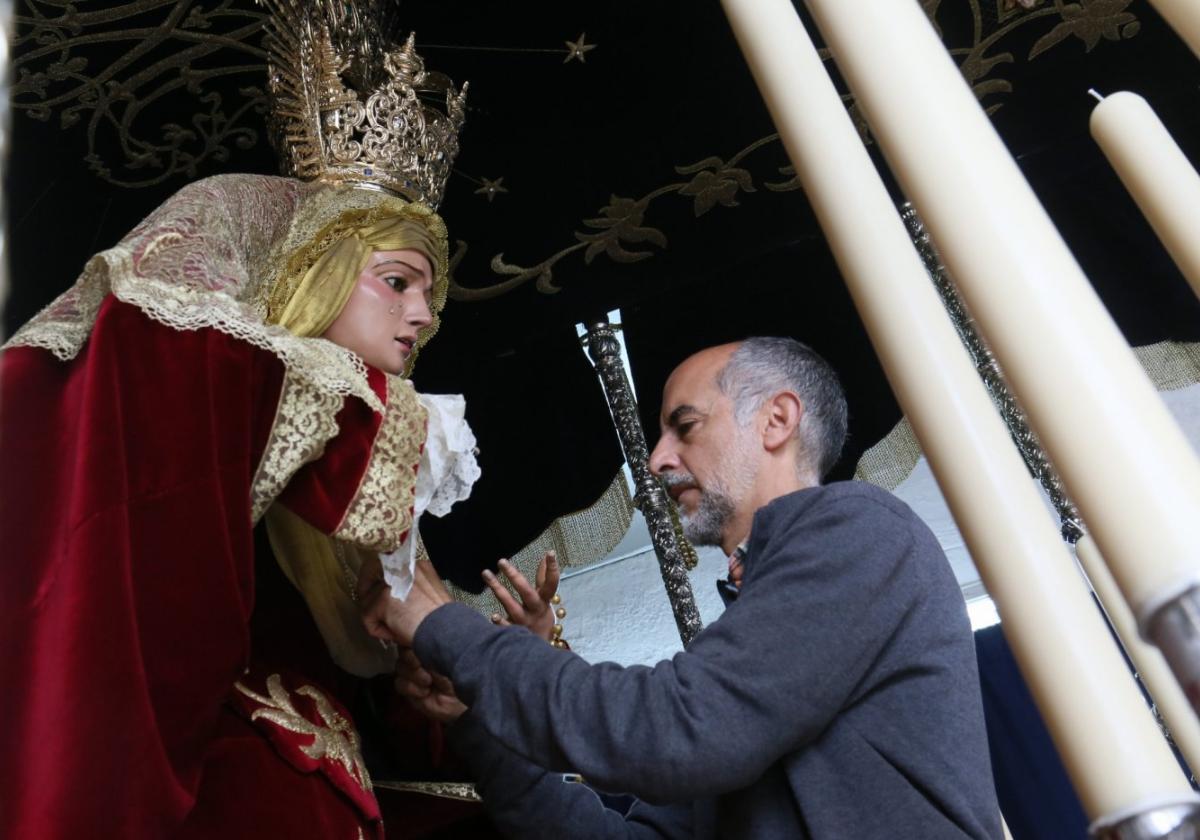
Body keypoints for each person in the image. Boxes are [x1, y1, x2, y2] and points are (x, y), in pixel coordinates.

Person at [0, 5, 486, 838]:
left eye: (430, 302)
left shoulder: (370, 489)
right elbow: (163, 368)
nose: (419, 318)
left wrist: (455, 671)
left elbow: (386, 708)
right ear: (320, 274)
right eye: (396, 282)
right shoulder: (226, 395)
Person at [369, 337, 1005, 839]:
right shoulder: (748, 658)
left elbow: (670, 730)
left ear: (777, 419)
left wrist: (442, 624)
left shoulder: (855, 526)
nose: (656, 459)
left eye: (686, 426)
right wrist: (473, 717)